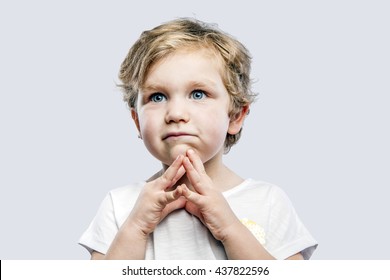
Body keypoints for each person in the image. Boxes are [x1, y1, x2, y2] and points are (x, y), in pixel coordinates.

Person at [79, 18, 317, 260]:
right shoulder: (119, 206)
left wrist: (230, 229)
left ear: (235, 116)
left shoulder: (268, 202)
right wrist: (135, 228)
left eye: (198, 93)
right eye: (158, 97)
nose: (176, 114)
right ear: (137, 121)